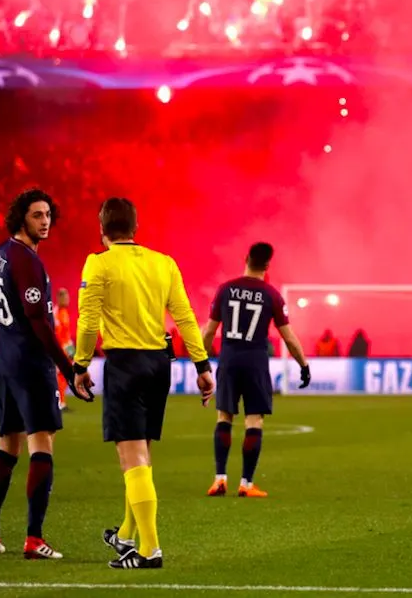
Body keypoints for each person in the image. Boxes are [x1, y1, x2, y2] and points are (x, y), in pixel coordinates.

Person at [73, 198, 213, 570]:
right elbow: (184, 315)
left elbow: (87, 322)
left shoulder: (98, 263)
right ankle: (125, 535)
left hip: (126, 364)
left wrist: (80, 364)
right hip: (158, 365)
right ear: (135, 228)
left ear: (102, 229)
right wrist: (202, 364)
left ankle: (150, 551)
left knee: (131, 457)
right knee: (143, 455)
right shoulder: (163, 263)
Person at [0, 188, 91, 559]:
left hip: (3, 362)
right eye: (36, 215)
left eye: (47, 216)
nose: (44, 222)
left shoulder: (1, 253)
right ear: (20, 218)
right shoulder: (27, 261)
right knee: (41, 444)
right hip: (28, 364)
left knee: (7, 447)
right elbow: (40, 323)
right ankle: (34, 538)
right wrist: (69, 368)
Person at [201, 242, 311, 498]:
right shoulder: (271, 294)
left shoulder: (225, 289)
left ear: (246, 258)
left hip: (229, 359)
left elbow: (208, 331)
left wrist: (201, 361)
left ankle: (219, 479)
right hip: (255, 362)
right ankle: (246, 483)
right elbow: (289, 337)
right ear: (268, 265)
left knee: (224, 416)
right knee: (254, 420)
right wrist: (303, 365)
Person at [53, 288, 74, 411]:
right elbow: (57, 336)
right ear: (59, 298)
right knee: (59, 376)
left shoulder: (64, 313)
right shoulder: (56, 314)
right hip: (59, 351)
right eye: (64, 297)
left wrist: (72, 352)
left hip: (66, 351)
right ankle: (59, 402)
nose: (67, 299)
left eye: (67, 297)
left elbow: (67, 336)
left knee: (64, 376)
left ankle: (62, 402)